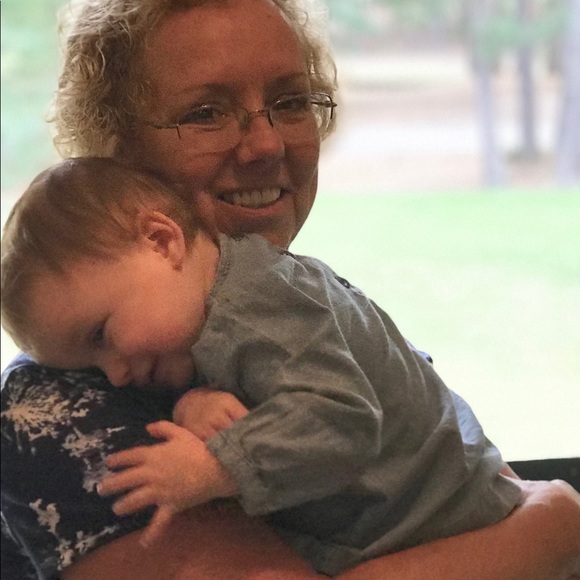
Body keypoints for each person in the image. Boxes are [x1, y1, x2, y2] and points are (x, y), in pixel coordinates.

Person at [1, 0, 579, 578]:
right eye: (206, 113)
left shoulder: (307, 300)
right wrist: (552, 522)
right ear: (116, 145)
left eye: (291, 102)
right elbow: (521, 519)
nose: (267, 144)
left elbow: (472, 482)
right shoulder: (58, 405)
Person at [1, 157, 524, 577]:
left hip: (442, 522)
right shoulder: (216, 308)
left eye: (101, 335)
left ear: (162, 241)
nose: (113, 375)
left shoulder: (261, 302)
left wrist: (216, 466)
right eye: (92, 366)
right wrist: (196, 398)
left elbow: (342, 418)